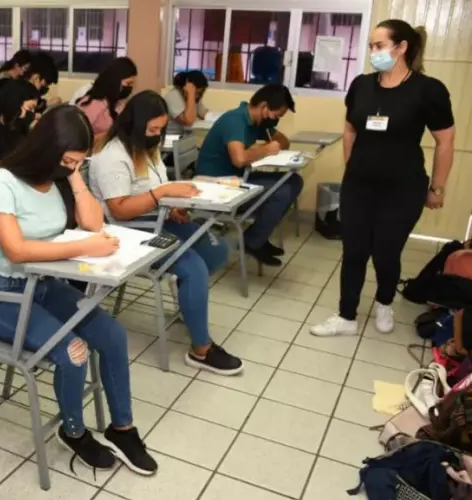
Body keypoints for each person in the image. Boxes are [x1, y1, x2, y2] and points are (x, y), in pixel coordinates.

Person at [0, 104, 158, 475]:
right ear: (46, 148)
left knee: (112, 335)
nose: (70, 166)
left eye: (77, 161)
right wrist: (83, 248)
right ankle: (73, 431)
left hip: (44, 285)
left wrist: (75, 178)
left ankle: (122, 428)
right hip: (2, 295)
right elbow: (17, 250)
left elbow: (93, 224)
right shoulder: (1, 179)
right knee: (73, 352)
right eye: (69, 160)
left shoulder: (57, 176)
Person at [311, 21, 455, 337]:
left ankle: (384, 302)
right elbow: (349, 130)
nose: (373, 52)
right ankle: (346, 316)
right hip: (359, 186)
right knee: (354, 251)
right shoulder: (362, 85)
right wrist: (353, 169)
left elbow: (445, 141)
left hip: (403, 188)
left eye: (379, 45)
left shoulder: (428, 90)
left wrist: (438, 187)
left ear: (401, 47)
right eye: (372, 46)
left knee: (386, 251)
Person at [89, 91, 242, 374]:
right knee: (193, 268)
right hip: (129, 231)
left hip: (155, 220)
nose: (157, 136)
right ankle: (201, 350)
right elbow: (121, 210)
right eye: (153, 129)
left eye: (160, 129)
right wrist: (161, 195)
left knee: (216, 250)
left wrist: (171, 207)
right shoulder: (112, 155)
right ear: (136, 124)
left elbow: (155, 192)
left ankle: (189, 300)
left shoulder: (146, 149)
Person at [195, 84, 302, 267]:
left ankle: (259, 236)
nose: (275, 120)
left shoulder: (257, 121)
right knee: (282, 191)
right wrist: (265, 150)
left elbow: (284, 141)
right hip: (216, 183)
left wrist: (271, 146)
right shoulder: (235, 120)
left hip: (236, 178)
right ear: (264, 107)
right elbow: (239, 159)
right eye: (276, 115)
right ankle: (253, 242)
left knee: (294, 181)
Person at [77, 57, 138, 146]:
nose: (130, 88)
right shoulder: (93, 104)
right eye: (128, 83)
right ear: (114, 81)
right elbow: (78, 138)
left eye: (132, 84)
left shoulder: (120, 103)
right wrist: (111, 134)